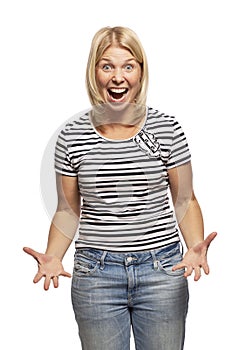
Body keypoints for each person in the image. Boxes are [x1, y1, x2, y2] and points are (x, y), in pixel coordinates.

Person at [23, 26, 217, 350]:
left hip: (162, 272)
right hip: (96, 276)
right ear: (94, 72)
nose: (118, 77)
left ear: (140, 72)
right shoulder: (72, 136)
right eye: (107, 66)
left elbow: (185, 200)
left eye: (128, 66)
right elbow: (68, 210)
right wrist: (54, 255)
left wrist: (195, 243)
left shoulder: (167, 129)